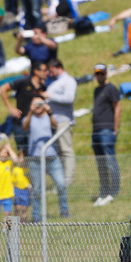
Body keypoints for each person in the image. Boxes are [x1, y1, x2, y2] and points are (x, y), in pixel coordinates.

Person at [23, 95, 69, 220]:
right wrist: (30, 112)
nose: (38, 106)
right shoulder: (29, 117)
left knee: (61, 184)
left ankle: (64, 212)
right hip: (35, 159)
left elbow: (55, 126)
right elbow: (25, 127)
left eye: (40, 103)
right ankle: (36, 216)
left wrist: (50, 112)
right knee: (37, 189)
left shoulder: (49, 116)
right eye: (35, 104)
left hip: (52, 157)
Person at [0, 61, 48, 154]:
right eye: (44, 70)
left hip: (35, 124)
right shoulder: (24, 82)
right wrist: (10, 108)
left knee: (35, 152)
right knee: (23, 153)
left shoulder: (43, 87)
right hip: (20, 124)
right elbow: (3, 88)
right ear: (36, 71)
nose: (47, 72)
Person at [91, 64, 120, 207]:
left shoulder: (111, 89)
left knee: (110, 162)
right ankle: (103, 192)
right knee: (100, 164)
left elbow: (117, 107)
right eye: (97, 74)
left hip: (107, 131)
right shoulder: (97, 90)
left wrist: (115, 129)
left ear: (106, 74)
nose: (99, 76)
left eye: (101, 73)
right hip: (95, 131)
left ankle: (113, 192)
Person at [46, 59, 76, 187]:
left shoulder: (68, 81)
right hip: (54, 122)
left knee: (66, 150)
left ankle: (68, 181)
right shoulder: (56, 82)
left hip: (63, 121)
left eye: (51, 70)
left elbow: (69, 98)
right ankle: (60, 181)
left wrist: (49, 96)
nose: (49, 73)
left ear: (58, 67)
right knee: (58, 152)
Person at [0, 143, 18, 220]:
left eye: (7, 153)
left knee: (8, 214)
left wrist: (9, 149)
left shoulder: (9, 163)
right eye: (3, 152)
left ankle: (7, 229)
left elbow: (16, 159)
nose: (5, 155)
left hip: (7, 193)